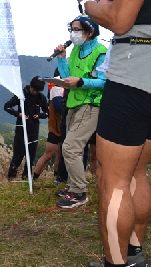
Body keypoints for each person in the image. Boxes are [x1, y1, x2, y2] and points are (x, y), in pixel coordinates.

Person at [79, 0, 151, 266]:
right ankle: (134, 255)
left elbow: (120, 20)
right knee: (137, 171)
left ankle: (117, 263)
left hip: (134, 70)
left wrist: (90, 6)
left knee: (113, 179)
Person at [53, 15, 107, 209]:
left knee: (70, 146)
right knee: (70, 147)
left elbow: (105, 82)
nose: (73, 34)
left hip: (91, 104)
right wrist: (61, 59)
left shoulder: (101, 52)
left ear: (90, 32)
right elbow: (68, 78)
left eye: (77, 30)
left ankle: (79, 193)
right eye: (72, 29)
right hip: (74, 103)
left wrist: (82, 82)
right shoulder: (75, 50)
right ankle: (72, 186)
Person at [4, 76, 48, 181]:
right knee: (18, 156)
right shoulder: (21, 95)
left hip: (34, 130)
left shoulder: (41, 97)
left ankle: (26, 177)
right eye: (34, 90)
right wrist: (19, 114)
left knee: (31, 157)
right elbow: (7, 106)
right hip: (21, 129)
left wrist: (40, 115)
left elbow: (47, 112)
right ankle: (11, 178)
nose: (35, 92)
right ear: (30, 86)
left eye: (37, 91)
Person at [32, 81, 64, 180]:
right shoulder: (56, 90)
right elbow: (59, 108)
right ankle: (35, 178)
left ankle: (57, 178)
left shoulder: (59, 89)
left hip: (61, 127)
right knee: (49, 155)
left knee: (60, 154)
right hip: (55, 128)